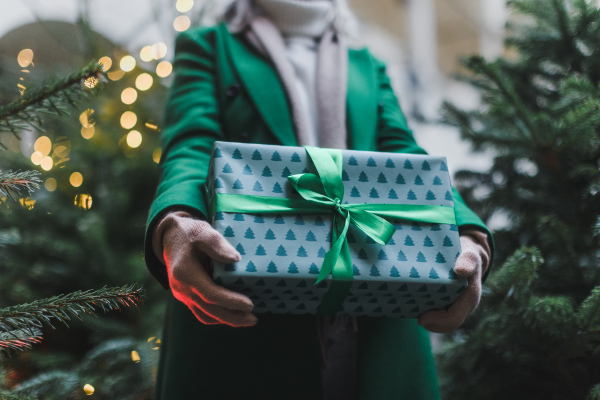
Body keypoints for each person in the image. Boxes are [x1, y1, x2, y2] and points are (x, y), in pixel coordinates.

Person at [144, 0, 493, 399]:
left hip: (377, 297)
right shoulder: (210, 45)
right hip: (242, 303)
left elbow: (407, 157)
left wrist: (466, 233)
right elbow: (190, 145)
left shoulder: (367, 63)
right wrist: (177, 218)